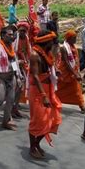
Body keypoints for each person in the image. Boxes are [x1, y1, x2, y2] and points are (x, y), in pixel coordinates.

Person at [28, 30, 62, 159]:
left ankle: (36, 143)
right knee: (37, 121)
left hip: (48, 89)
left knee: (53, 118)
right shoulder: (34, 55)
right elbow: (35, 77)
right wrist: (44, 95)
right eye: (51, 41)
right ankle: (32, 147)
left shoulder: (47, 53)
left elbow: (50, 67)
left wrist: (56, 71)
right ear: (45, 42)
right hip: (38, 91)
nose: (53, 44)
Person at [56, 30, 85, 113]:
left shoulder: (72, 46)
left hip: (73, 71)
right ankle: (53, 100)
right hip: (65, 71)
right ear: (69, 38)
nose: (75, 39)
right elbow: (66, 62)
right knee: (58, 89)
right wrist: (74, 73)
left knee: (77, 89)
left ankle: (82, 105)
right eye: (74, 38)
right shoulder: (64, 48)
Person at [13, 21, 32, 118]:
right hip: (14, 66)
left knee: (20, 88)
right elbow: (12, 56)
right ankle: (12, 107)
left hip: (23, 66)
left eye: (24, 31)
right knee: (15, 86)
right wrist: (15, 68)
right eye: (20, 31)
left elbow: (29, 53)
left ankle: (15, 107)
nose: (22, 33)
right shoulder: (14, 41)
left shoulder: (27, 40)